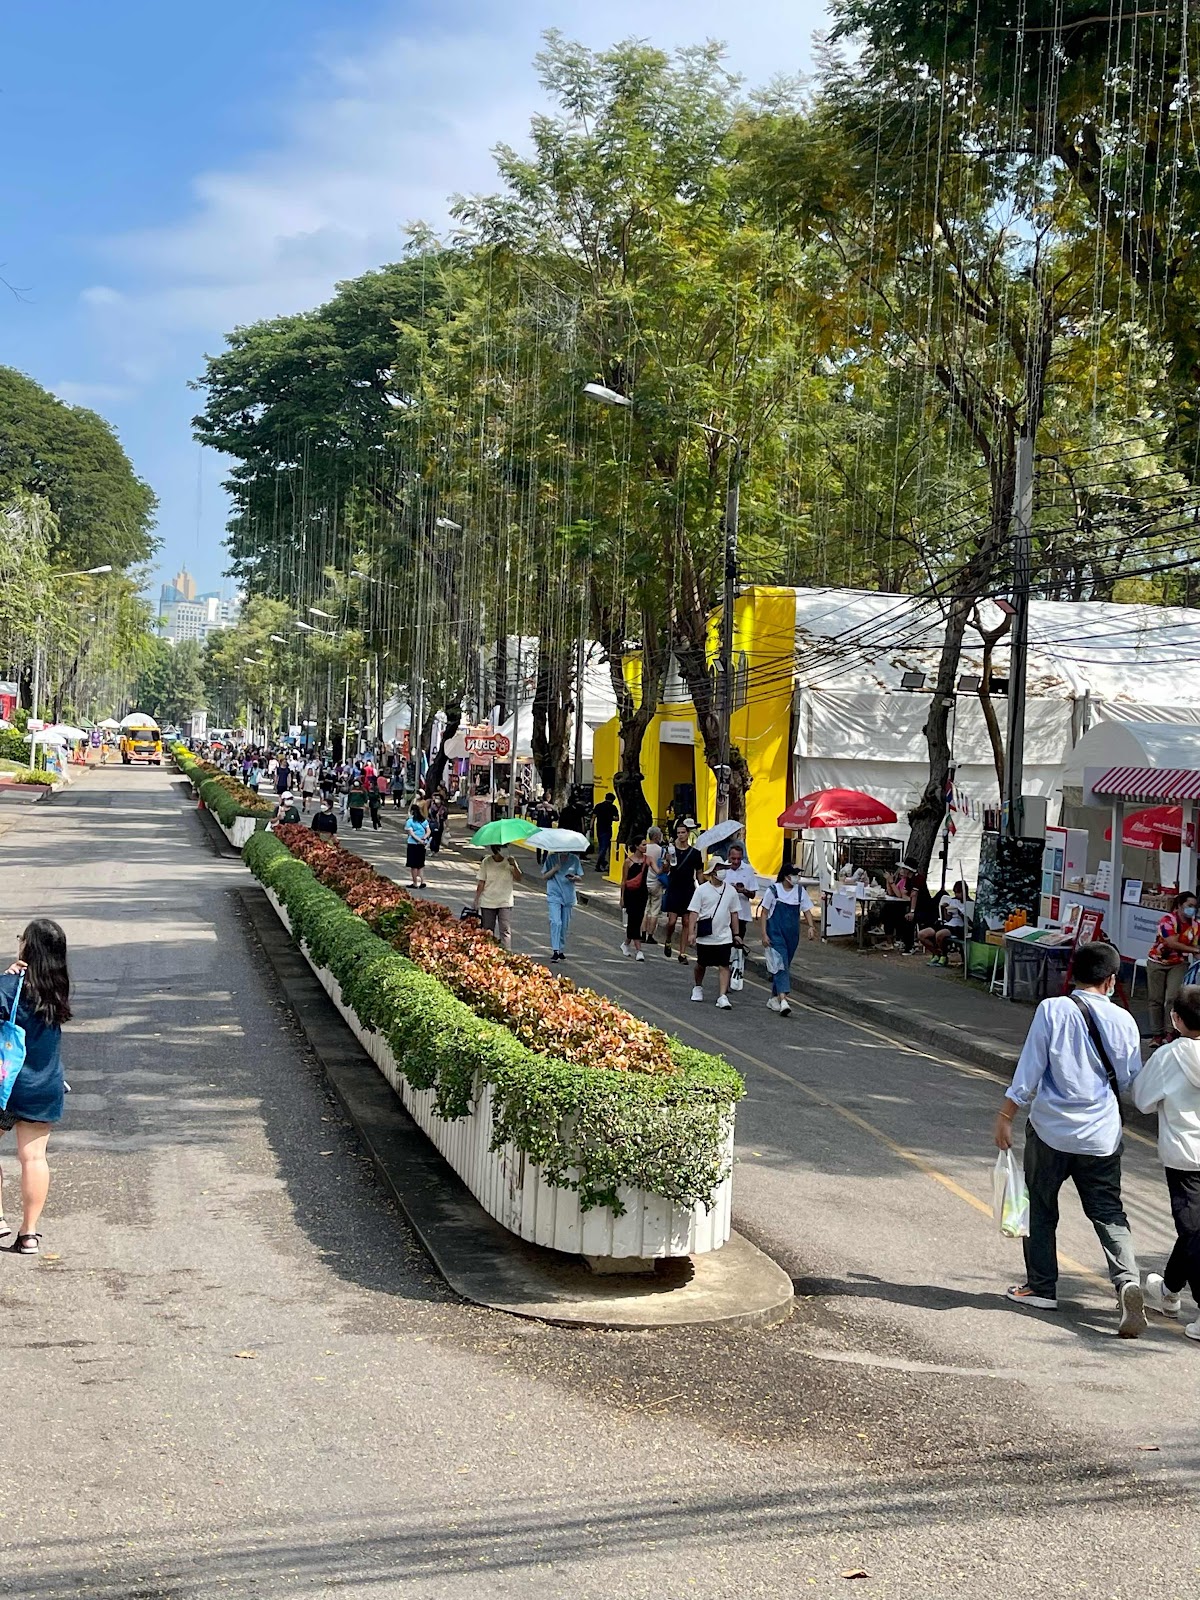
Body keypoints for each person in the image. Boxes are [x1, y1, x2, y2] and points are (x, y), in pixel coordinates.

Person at [995, 940, 1147, 1336]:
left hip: (1051, 1131)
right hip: (1102, 1137)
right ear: (1111, 980)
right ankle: (1127, 1282)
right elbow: (1129, 1082)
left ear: (1073, 974)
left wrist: (1006, 1115)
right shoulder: (1124, 1020)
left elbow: (1029, 1070)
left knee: (1041, 1206)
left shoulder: (1052, 1009)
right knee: (1108, 1211)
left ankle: (1041, 1287)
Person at [1132, 983, 1200, 1339]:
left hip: (1185, 1156)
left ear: (1175, 1019)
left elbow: (1142, 1099)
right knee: (1194, 1229)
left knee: (1193, 1233)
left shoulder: (1168, 1056)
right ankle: (1169, 1291)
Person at [0, 919, 72, 1254]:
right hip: (45, 1085)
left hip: (7, 1088)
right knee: (34, 1158)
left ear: (28, 946)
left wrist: (5, 977)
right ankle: (29, 1234)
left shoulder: (9, 985)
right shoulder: (57, 988)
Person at [758, 863, 819, 1015]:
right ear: (786, 876)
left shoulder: (800, 891)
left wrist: (811, 926)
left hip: (792, 935)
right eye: (794, 874)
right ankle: (783, 1000)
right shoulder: (773, 891)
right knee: (780, 964)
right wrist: (764, 934)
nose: (796, 877)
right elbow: (764, 913)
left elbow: (807, 910)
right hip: (775, 933)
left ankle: (774, 998)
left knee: (784, 964)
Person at [686, 859, 742, 1009]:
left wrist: (736, 934)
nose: (722, 871)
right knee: (701, 964)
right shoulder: (701, 890)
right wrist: (691, 933)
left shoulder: (731, 891)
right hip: (705, 936)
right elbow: (694, 912)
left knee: (724, 965)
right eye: (719, 868)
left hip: (724, 936)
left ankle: (722, 996)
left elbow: (734, 913)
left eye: (724, 867)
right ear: (712, 872)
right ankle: (698, 986)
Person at [1146, 891, 1199, 1044]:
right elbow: (1171, 943)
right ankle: (1156, 1034)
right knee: (1155, 999)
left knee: (1172, 998)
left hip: (1179, 963)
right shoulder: (1167, 920)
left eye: (1194, 906)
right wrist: (1195, 950)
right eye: (1189, 905)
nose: (1192, 909)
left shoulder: (1195, 926)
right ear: (1180, 905)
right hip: (1157, 962)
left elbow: (1196, 948)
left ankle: (1170, 1032)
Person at [662, 823, 702, 965]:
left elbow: (699, 872)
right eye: (678, 833)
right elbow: (665, 870)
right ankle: (668, 939)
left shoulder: (695, 853)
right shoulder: (671, 850)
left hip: (688, 889)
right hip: (674, 888)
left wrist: (703, 888)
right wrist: (666, 861)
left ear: (688, 833)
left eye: (683, 832)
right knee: (672, 921)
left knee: (686, 922)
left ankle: (682, 953)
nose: (680, 835)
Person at [473, 845, 523, 950]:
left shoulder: (510, 861)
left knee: (505, 930)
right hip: (488, 901)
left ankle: (507, 954)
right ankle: (487, 953)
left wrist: (514, 865)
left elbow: (519, 878)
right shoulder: (486, 862)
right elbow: (481, 882)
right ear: (496, 849)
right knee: (487, 931)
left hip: (505, 902)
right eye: (502, 848)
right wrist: (476, 899)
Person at [542, 849, 583, 961]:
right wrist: (554, 869)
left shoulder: (574, 859)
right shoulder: (551, 858)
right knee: (556, 922)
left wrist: (574, 878)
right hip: (554, 895)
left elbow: (580, 877)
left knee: (564, 925)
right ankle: (555, 950)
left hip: (568, 896)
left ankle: (561, 949)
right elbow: (544, 876)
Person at [919, 879, 971, 966]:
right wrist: (945, 910)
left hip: (958, 927)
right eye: (955, 893)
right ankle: (936, 953)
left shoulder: (969, 903)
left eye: (959, 893)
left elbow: (969, 921)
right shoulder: (953, 901)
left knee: (940, 935)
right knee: (922, 935)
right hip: (948, 924)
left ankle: (944, 955)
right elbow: (947, 919)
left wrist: (960, 913)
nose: (956, 895)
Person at [619, 840, 650, 960]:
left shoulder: (648, 859)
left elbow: (659, 871)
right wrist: (622, 897)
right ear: (637, 846)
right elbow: (623, 881)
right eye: (643, 844)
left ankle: (626, 943)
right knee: (633, 920)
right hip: (630, 894)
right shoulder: (628, 861)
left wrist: (666, 863)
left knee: (638, 919)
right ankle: (639, 950)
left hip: (642, 894)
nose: (646, 847)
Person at [641, 826, 666, 945]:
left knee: (645, 909)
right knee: (654, 911)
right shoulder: (661, 850)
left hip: (644, 882)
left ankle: (642, 934)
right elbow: (663, 868)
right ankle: (650, 935)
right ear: (656, 836)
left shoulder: (644, 848)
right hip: (656, 882)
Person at [591, 792, 620, 874]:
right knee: (604, 847)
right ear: (613, 800)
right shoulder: (613, 807)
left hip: (599, 828)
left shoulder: (599, 806)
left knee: (601, 845)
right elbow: (617, 818)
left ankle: (603, 863)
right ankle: (599, 864)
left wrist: (591, 827)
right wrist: (610, 817)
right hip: (607, 828)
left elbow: (593, 817)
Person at [405, 803, 430, 888]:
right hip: (422, 845)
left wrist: (419, 840)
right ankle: (422, 881)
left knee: (413, 865)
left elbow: (411, 834)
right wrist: (423, 839)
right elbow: (428, 831)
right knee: (420, 864)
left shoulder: (410, 821)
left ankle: (415, 883)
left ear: (411, 811)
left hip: (413, 844)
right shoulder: (424, 820)